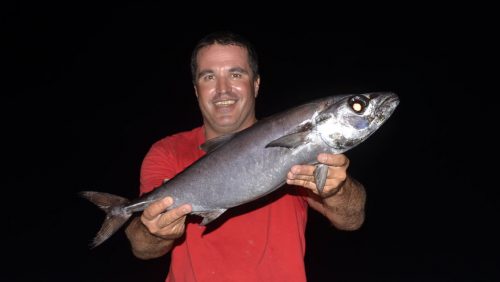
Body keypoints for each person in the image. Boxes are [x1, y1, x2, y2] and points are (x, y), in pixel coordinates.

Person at [125, 31, 366, 282]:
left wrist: (337, 190)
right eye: (209, 77)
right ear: (197, 90)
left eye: (236, 74)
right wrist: (156, 232)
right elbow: (141, 247)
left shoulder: (298, 147)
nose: (222, 90)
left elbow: (351, 219)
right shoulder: (168, 151)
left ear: (256, 84)